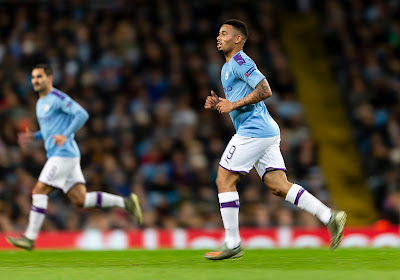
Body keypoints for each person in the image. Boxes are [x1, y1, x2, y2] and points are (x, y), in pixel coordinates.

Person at [203, 19, 346, 260]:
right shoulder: (227, 67)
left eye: (224, 34)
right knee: (278, 185)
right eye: (218, 33)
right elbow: (238, 100)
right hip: (265, 130)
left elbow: (265, 89)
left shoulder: (240, 61)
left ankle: (233, 243)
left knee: (224, 179)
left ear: (238, 39)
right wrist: (220, 103)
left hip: (254, 130)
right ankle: (329, 216)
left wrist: (233, 104)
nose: (219, 37)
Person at [6, 64, 142, 250]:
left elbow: (82, 114)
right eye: (33, 77)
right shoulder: (40, 103)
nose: (35, 81)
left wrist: (66, 134)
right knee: (81, 200)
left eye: (39, 77)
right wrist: (34, 136)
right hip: (63, 155)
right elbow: (49, 130)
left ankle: (30, 238)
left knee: (38, 191)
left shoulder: (58, 98)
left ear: (50, 79)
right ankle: (126, 203)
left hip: (63, 155)